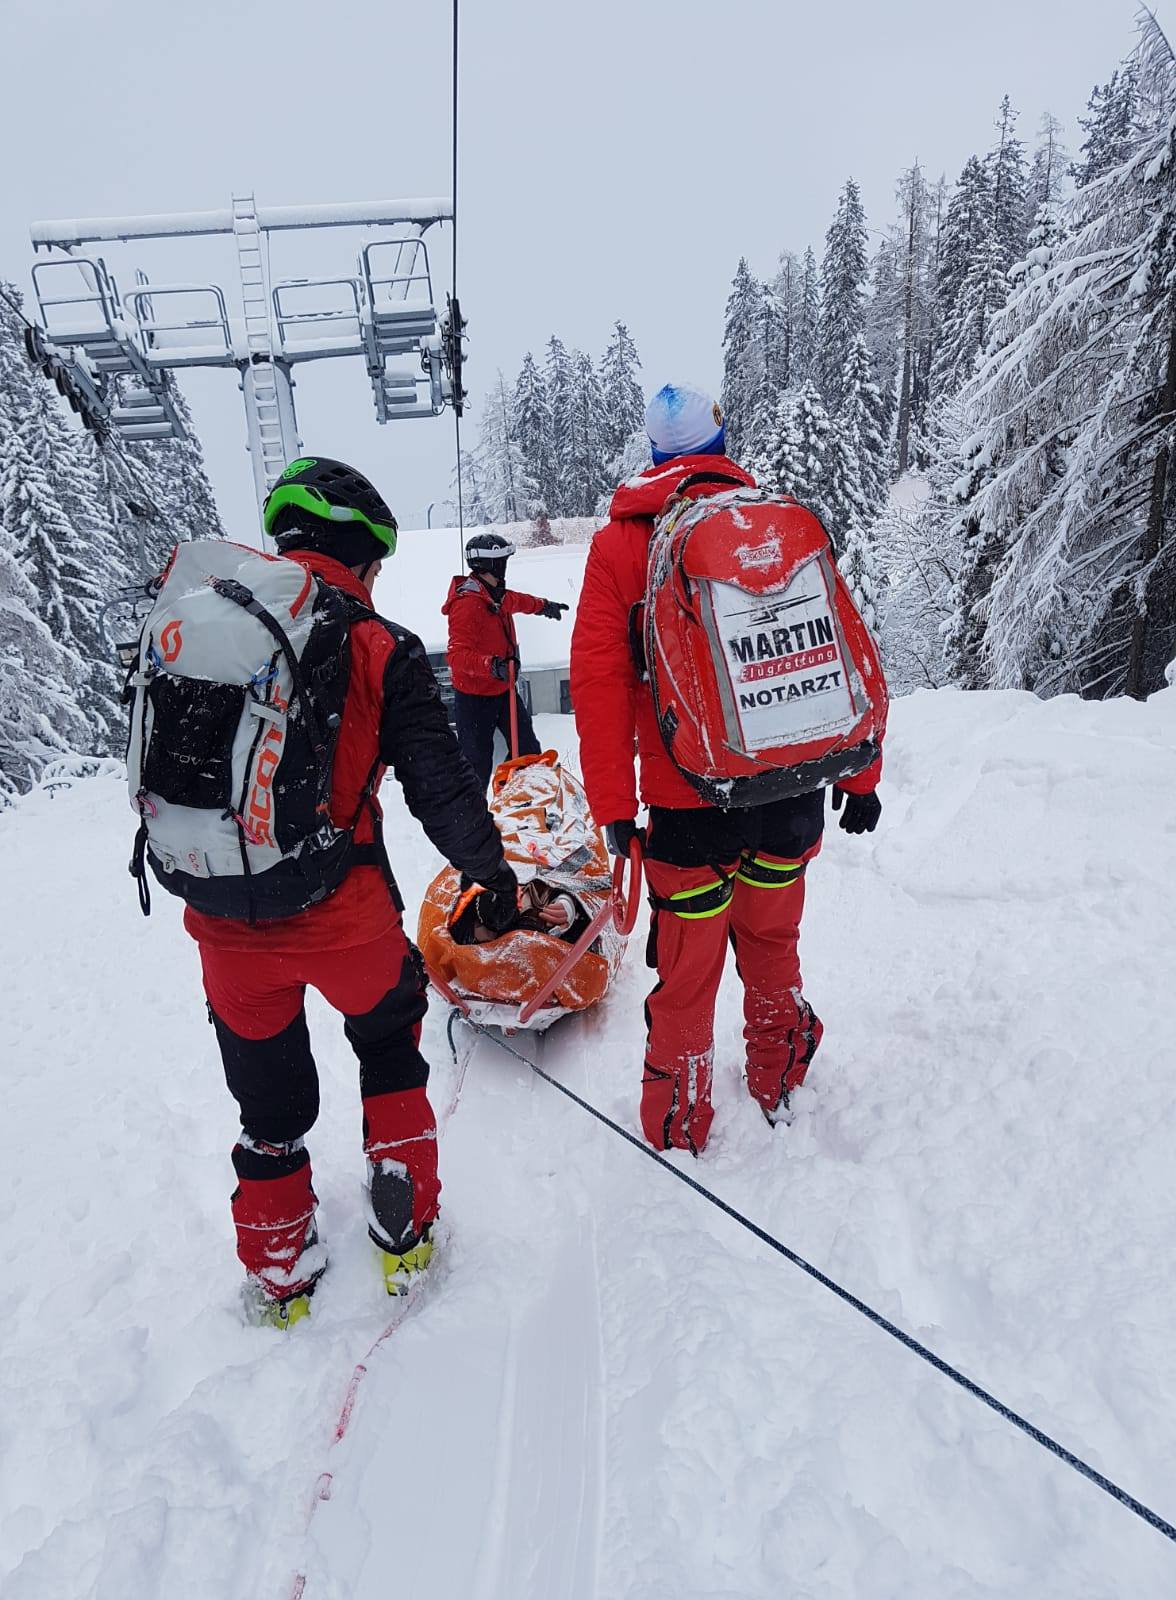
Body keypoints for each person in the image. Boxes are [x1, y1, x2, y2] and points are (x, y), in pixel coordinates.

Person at [185, 458, 518, 1326]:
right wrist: (493, 877)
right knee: (387, 1043)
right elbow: (443, 793)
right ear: (359, 554)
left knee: (268, 1102)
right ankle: (403, 1224)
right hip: (345, 912)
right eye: (374, 566)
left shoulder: (207, 634)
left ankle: (279, 1272)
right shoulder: (380, 646)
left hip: (223, 921)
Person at [570, 385, 885, 1155]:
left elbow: (600, 682)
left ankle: (680, 1124)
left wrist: (615, 804)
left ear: (653, 457)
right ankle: (779, 1079)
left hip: (686, 803)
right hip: (786, 792)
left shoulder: (620, 548)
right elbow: (832, 654)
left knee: (688, 969)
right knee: (773, 944)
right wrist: (860, 775)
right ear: (719, 446)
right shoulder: (773, 528)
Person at [443, 532, 569, 786]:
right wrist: (492, 666)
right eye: (502, 562)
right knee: (476, 765)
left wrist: (544, 606)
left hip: (503, 692)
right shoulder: (467, 605)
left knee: (528, 753)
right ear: (491, 565)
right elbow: (456, 656)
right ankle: (474, 821)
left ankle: (523, 801)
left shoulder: (494, 595)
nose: (505, 567)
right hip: (474, 699)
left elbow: (517, 601)